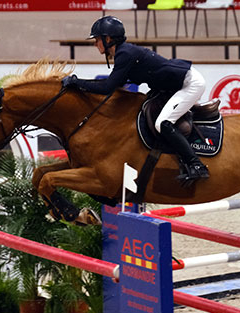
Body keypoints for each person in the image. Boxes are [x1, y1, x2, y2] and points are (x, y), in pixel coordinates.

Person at [61, 16, 209, 186]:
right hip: (175, 83)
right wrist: (77, 82)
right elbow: (112, 84)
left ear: (108, 39)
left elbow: (107, 88)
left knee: (163, 122)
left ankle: (196, 165)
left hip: (190, 84)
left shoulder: (125, 54)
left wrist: (76, 82)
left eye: (97, 39)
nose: (95, 44)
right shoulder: (123, 53)